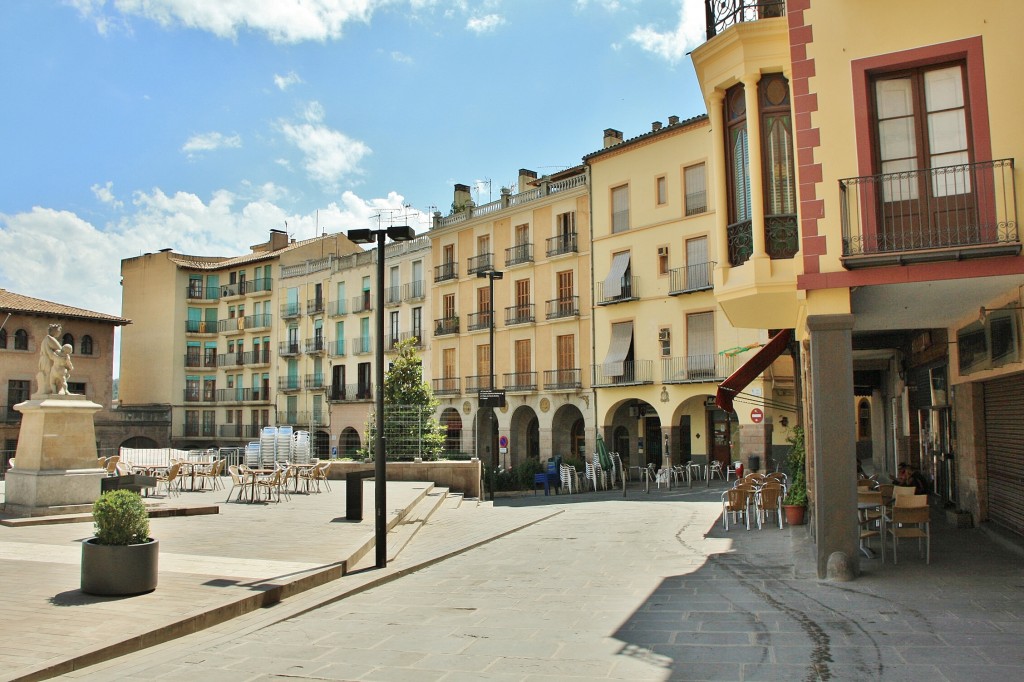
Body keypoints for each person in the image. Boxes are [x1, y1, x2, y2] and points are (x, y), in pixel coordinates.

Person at [34, 323, 63, 397]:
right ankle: (50, 390)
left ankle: (48, 389)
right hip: (48, 360)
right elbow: (60, 349)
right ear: (55, 330)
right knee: (49, 374)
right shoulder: (49, 338)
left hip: (44, 359)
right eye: (59, 330)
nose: (60, 332)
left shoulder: (46, 338)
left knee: (47, 374)